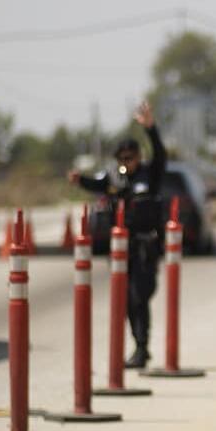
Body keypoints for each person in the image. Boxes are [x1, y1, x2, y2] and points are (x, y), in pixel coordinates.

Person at [70, 101, 166, 368]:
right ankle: (139, 346)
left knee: (139, 296)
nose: (126, 163)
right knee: (125, 300)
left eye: (130, 158)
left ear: (137, 157)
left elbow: (160, 154)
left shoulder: (150, 174)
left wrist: (151, 129)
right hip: (123, 249)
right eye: (121, 159)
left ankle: (143, 346)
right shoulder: (115, 179)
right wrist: (79, 179)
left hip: (146, 246)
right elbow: (96, 184)